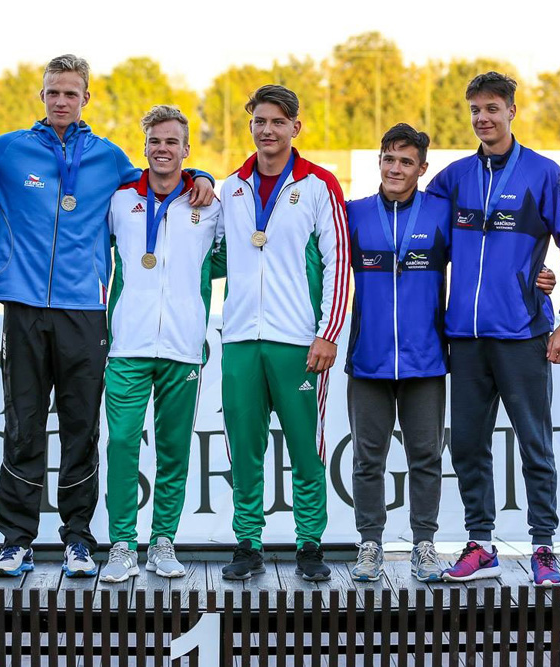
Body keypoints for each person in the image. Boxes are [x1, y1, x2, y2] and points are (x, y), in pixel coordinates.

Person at [0, 55, 214, 578]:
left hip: (85, 310)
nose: (61, 101)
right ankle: (17, 540)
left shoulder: (108, 157)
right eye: (53, 91)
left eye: (71, 93)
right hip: (24, 308)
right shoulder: (9, 149)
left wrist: (200, 175)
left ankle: (78, 538)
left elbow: (160, 178)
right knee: (23, 426)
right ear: (42, 95)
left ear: (85, 99)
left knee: (81, 428)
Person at [346, 123, 556, 583]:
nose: (396, 168)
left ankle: (424, 544)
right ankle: (369, 545)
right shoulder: (353, 214)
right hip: (368, 358)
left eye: (406, 161)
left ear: (423, 169)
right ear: (378, 162)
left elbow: (492, 251)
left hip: (425, 359)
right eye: (388, 159)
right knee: (367, 459)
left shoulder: (441, 212)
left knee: (426, 457)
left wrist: (537, 274)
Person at [426, 72, 560, 586]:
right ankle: (481, 546)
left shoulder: (543, 173)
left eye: (492, 108)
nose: (483, 118)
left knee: (535, 445)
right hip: (466, 339)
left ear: (512, 111)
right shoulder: (454, 178)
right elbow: (413, 224)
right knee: (467, 447)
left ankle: (544, 548)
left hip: (523, 335)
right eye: (475, 110)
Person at [218, 85, 350, 582]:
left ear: (296, 126)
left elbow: (339, 262)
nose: (267, 130)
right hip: (240, 340)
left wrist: (328, 332)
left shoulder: (318, 184)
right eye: (259, 121)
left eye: (277, 122)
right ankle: (247, 543)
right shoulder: (231, 188)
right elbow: (212, 251)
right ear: (250, 125)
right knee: (244, 448)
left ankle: (309, 543)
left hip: (299, 341)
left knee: (305, 448)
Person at [98, 105, 223, 583]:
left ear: (186, 150)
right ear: (144, 147)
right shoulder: (119, 200)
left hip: (183, 347)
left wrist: (203, 178)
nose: (163, 149)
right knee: (122, 444)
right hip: (127, 346)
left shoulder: (209, 205)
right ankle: (122, 544)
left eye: (172, 142)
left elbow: (230, 258)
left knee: (173, 449)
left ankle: (163, 540)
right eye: (155, 141)